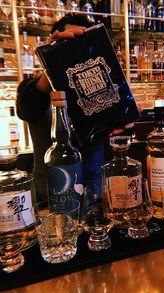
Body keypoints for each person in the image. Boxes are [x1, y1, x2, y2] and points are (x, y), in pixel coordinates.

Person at [16, 13, 135, 201]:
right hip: (49, 197)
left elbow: (117, 135)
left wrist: (126, 122)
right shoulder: (33, 87)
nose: (74, 47)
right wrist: (55, 62)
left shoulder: (101, 81)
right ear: (53, 41)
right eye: (69, 40)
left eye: (81, 41)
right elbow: (28, 110)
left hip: (96, 193)